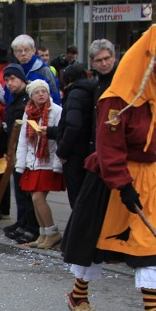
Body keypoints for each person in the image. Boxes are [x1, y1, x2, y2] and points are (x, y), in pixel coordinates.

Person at [61, 24, 156, 311]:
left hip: (147, 177)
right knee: (96, 241)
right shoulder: (117, 100)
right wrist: (123, 184)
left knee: (151, 240)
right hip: (111, 179)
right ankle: (77, 296)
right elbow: (108, 147)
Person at [15, 80, 64, 249]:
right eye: (37, 92)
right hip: (33, 161)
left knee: (38, 197)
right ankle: (43, 233)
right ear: (32, 96)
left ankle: (52, 232)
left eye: (44, 91)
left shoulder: (57, 111)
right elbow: (23, 139)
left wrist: (58, 162)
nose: (41, 94)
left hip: (48, 160)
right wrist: (21, 163)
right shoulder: (28, 112)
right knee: (34, 198)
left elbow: (60, 138)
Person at [2, 64, 38, 243]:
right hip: (15, 149)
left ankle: (30, 225)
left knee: (25, 191)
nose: (9, 83)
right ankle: (22, 221)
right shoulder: (15, 98)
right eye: (7, 80)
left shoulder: (26, 99)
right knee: (19, 190)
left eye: (12, 79)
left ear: (22, 79)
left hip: (24, 150)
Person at [54, 63, 98, 206]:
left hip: (75, 153)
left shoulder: (74, 94)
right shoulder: (92, 90)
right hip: (89, 149)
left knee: (77, 197)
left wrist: (62, 152)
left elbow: (73, 124)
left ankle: (79, 227)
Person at [12, 34, 60, 103]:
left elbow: (55, 94)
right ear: (14, 53)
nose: (23, 54)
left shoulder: (44, 70)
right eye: (19, 51)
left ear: (34, 50)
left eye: (26, 50)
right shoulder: (14, 71)